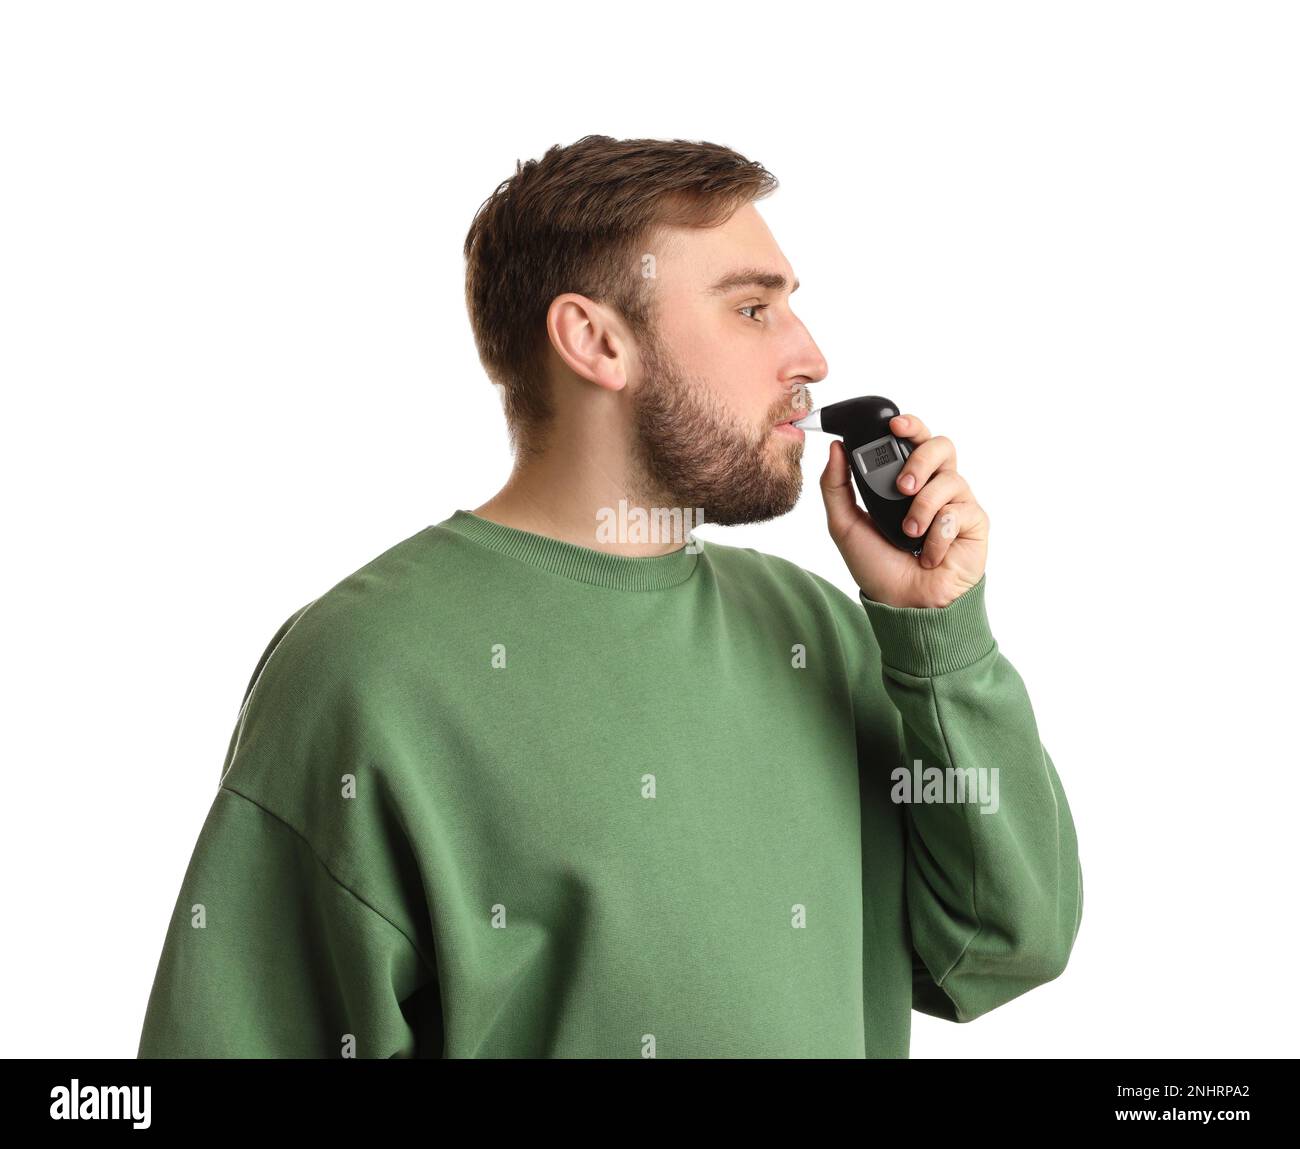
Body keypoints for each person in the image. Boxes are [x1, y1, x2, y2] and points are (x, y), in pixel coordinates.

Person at [137, 134, 1082, 1059]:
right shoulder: (364, 666)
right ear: (595, 340)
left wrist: (936, 634)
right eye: (753, 310)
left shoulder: (820, 632)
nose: (812, 357)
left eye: (793, 304)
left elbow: (1000, 949)